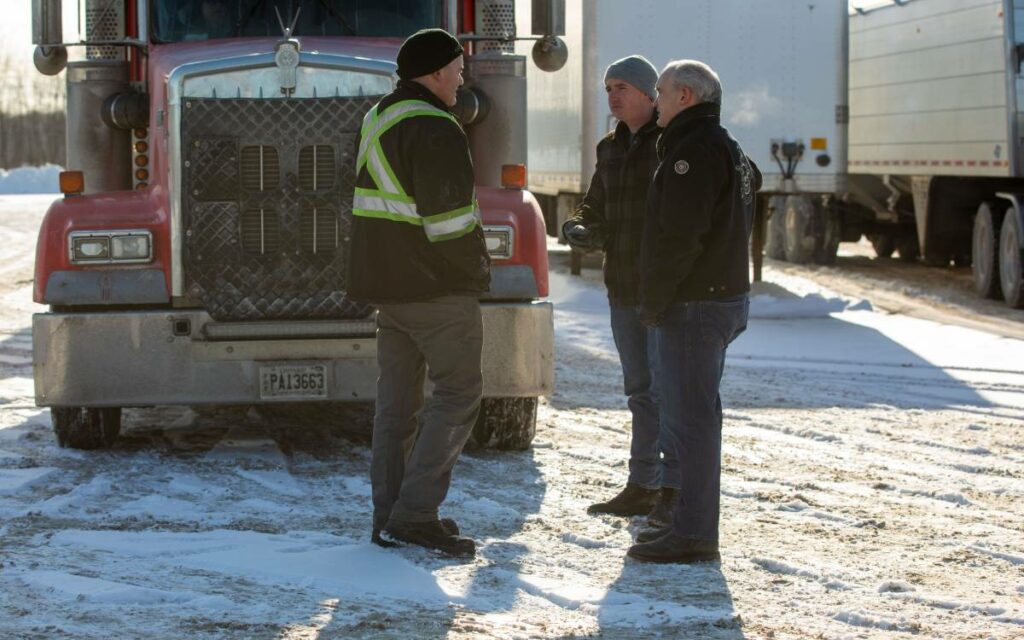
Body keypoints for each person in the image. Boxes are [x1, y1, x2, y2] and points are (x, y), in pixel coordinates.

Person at [346, 28, 490, 559]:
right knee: (457, 395)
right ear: (434, 73)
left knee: (397, 406)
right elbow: (450, 224)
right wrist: (477, 270)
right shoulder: (435, 126)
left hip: (388, 288)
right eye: (456, 69)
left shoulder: (380, 115)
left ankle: (390, 514)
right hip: (435, 290)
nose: (461, 78)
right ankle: (416, 514)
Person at [628, 60, 762, 564]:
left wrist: (655, 299)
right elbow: (752, 184)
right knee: (695, 418)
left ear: (685, 95)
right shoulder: (726, 146)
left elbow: (681, 237)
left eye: (659, 92)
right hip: (718, 299)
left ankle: (693, 534)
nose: (655, 100)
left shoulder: (694, 151)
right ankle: (689, 527)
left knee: (691, 424)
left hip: (696, 303)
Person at [561, 55, 680, 526]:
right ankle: (643, 485)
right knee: (640, 391)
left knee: (666, 391)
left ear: (650, 95)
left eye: (622, 88)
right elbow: (596, 205)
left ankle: (673, 489)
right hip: (623, 288)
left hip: (664, 291)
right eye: (609, 87)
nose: (613, 96)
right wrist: (582, 226)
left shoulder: (672, 142)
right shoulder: (610, 147)